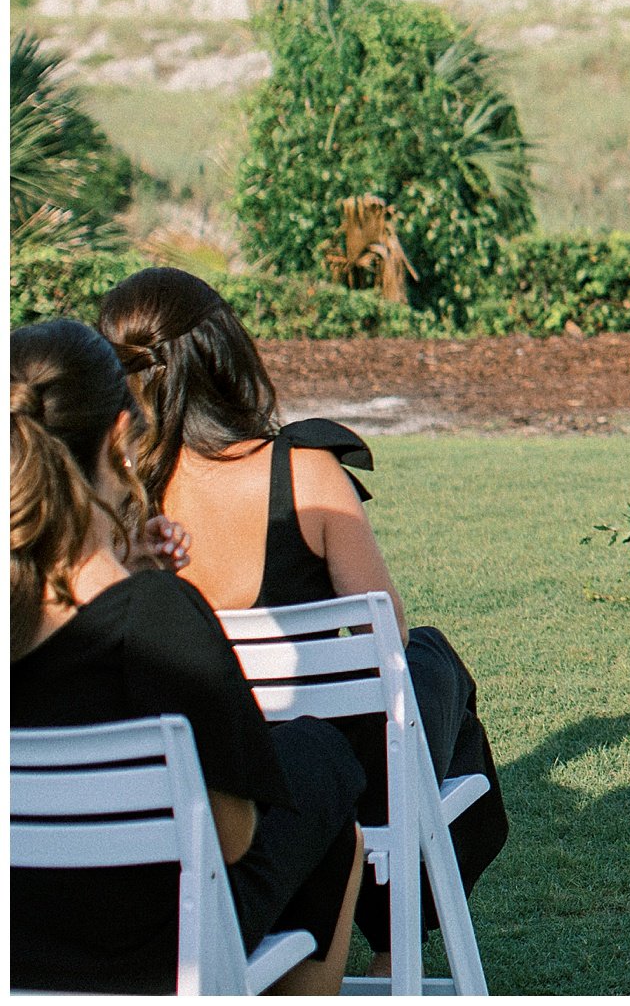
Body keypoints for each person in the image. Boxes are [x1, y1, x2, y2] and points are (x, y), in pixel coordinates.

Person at [98, 267, 509, 978]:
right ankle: (393, 945)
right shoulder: (305, 470)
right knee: (431, 663)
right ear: (226, 353)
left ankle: (383, 938)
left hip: (197, 768)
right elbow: (387, 632)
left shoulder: (112, 500)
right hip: (321, 760)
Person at [11, 319, 365, 995]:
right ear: (119, 440)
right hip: (150, 947)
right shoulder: (156, 618)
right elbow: (231, 839)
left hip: (21, 935)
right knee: (323, 768)